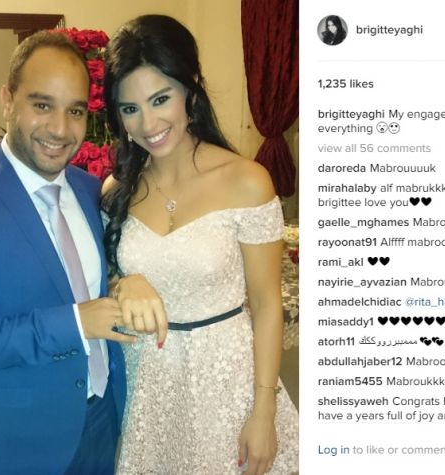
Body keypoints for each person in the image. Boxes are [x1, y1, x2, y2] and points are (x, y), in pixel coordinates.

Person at [0, 31, 166, 475]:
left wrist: (124, 281)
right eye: (42, 105)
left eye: (75, 111)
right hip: (17, 443)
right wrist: (75, 323)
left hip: (102, 420)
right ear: (7, 101)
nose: (60, 129)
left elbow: (91, 278)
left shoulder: (90, 190)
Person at [102, 15, 299, 474]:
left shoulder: (247, 181)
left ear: (190, 89)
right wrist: (123, 282)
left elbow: (267, 305)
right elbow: (102, 278)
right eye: (130, 108)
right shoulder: (116, 191)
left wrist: (264, 410)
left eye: (160, 99)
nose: (148, 123)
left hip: (227, 384)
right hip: (148, 386)